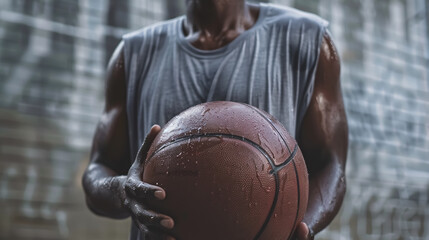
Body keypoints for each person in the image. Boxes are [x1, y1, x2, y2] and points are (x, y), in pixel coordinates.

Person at [82, 0, 348, 239]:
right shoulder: (132, 55)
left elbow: (330, 165)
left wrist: (300, 227)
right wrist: (123, 191)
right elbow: (98, 170)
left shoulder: (308, 40)